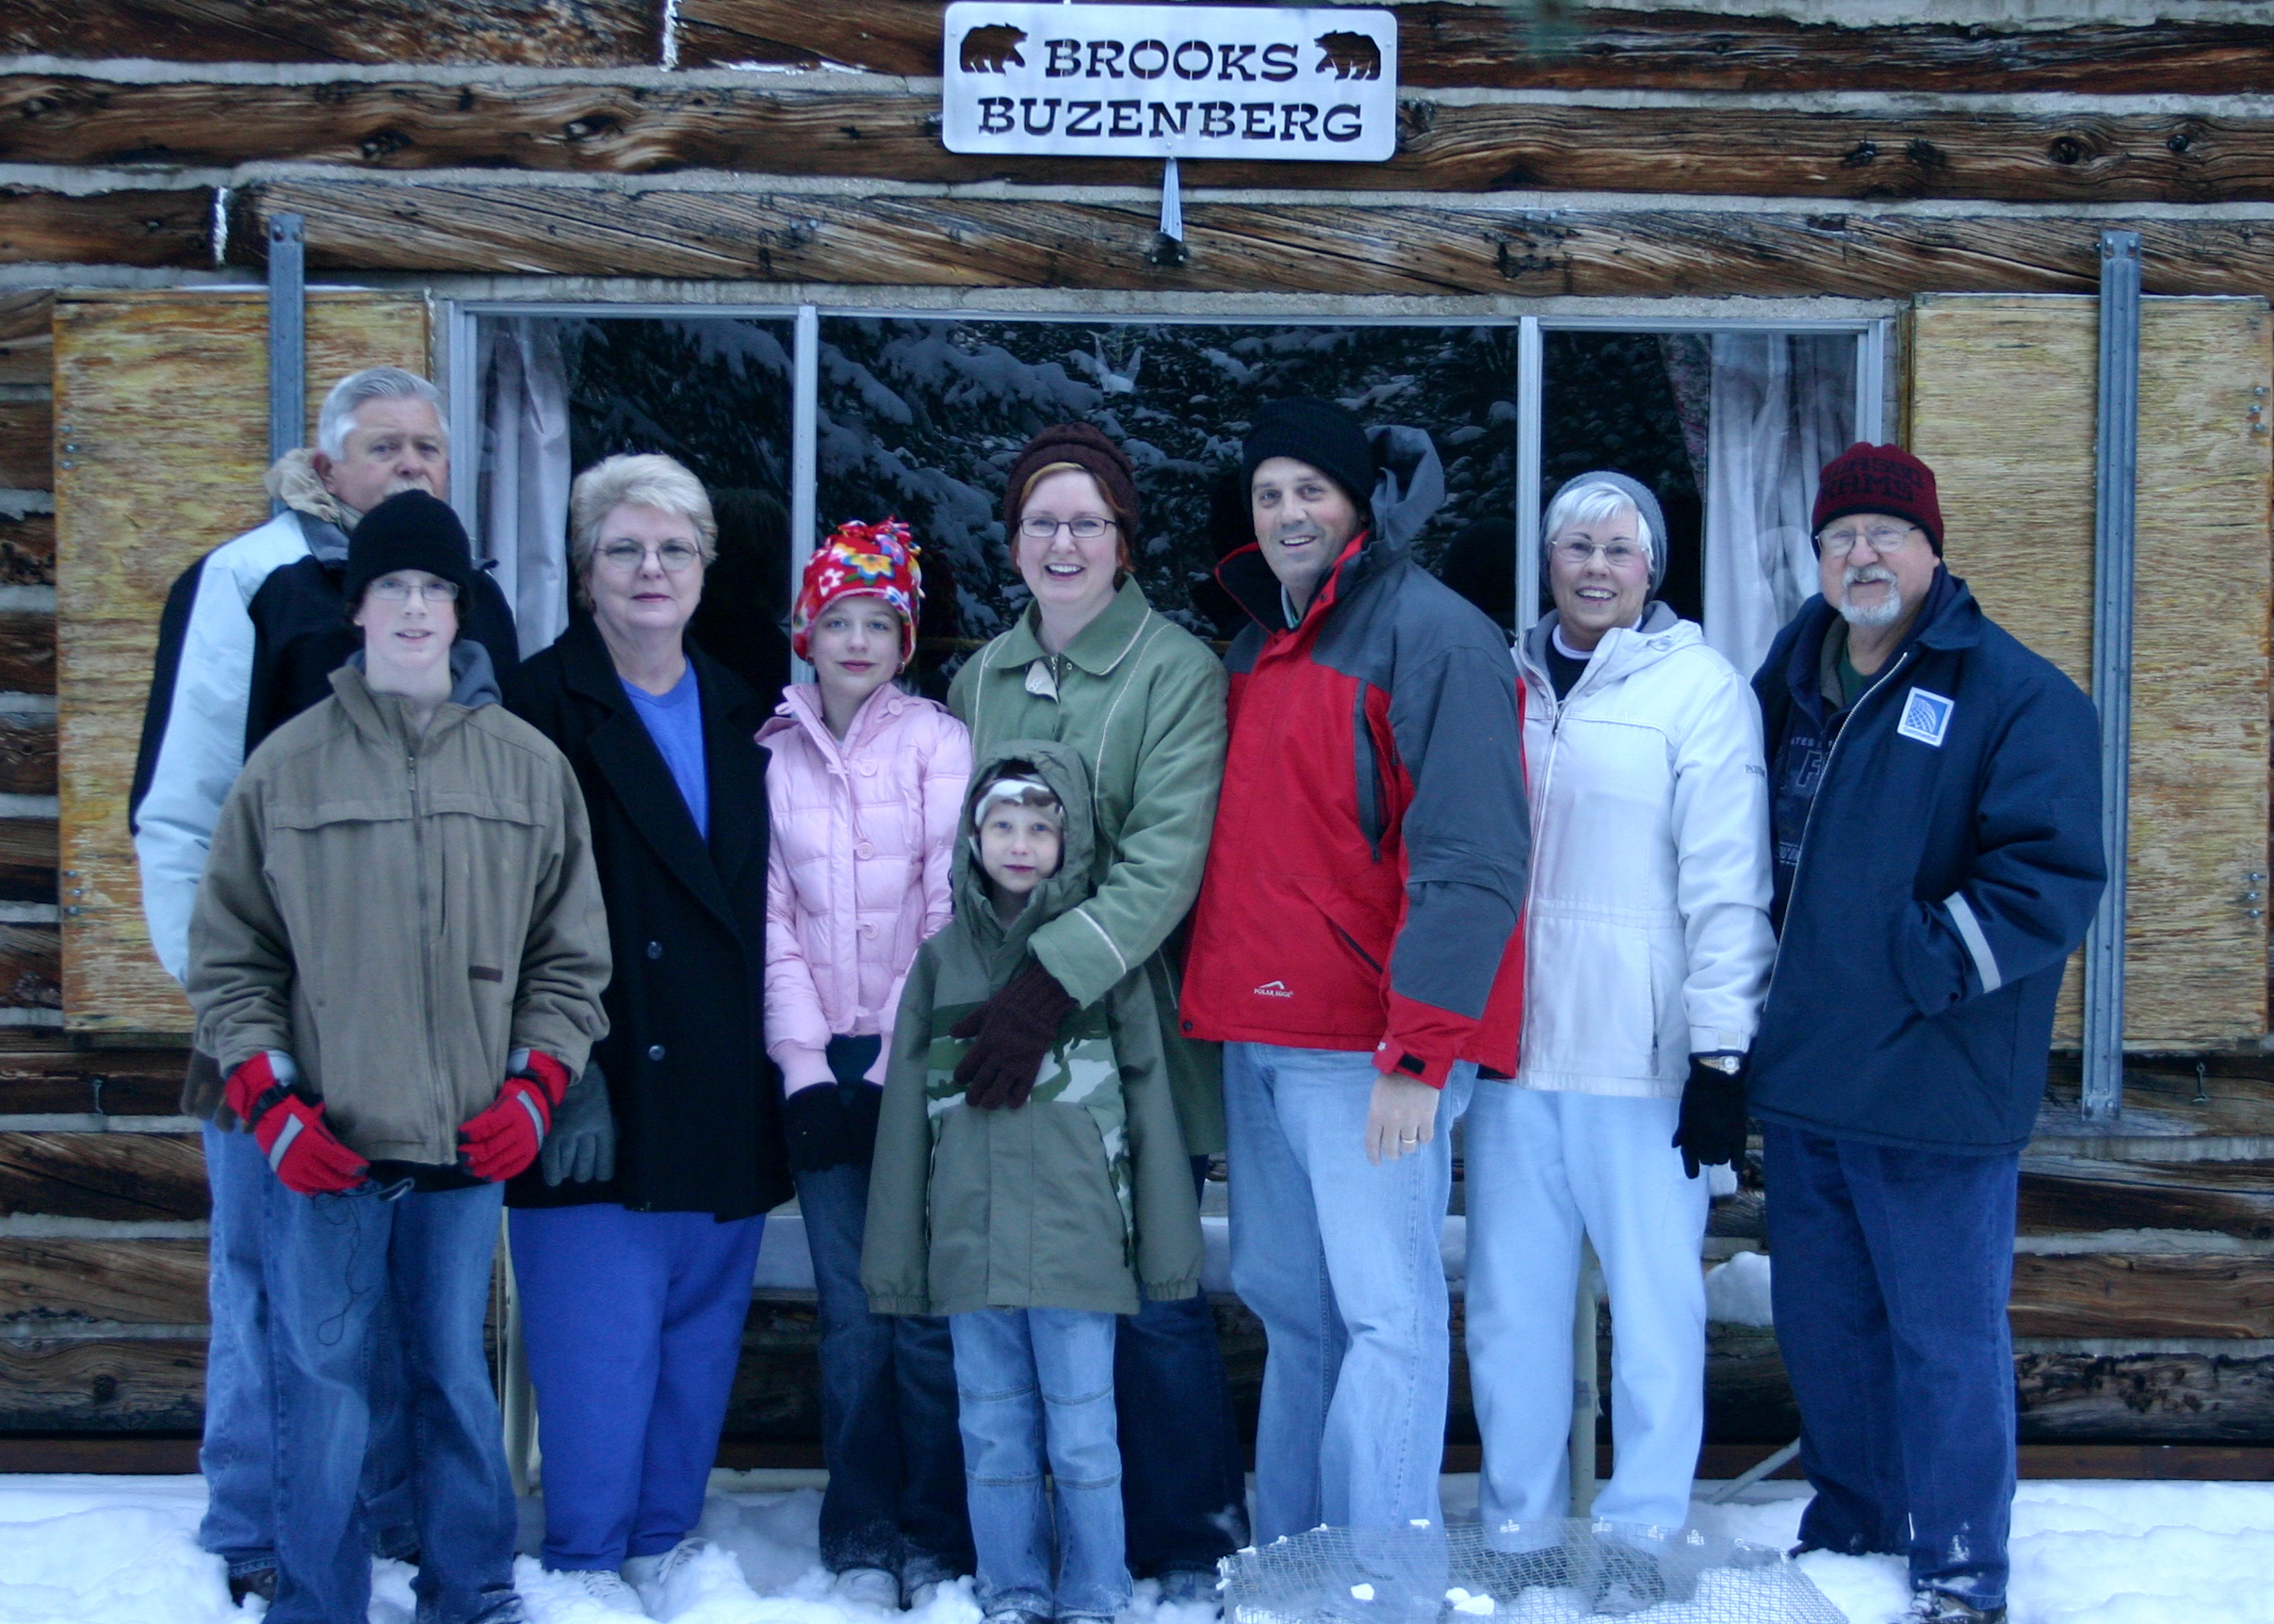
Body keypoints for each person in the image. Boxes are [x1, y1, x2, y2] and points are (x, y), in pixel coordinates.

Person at [131, 366, 518, 1604]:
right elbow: (182, 808)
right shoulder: (251, 581)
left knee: (404, 1302)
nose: (410, 465)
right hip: (275, 1022)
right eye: (384, 445)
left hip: (430, 1039)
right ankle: (257, 1518)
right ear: (327, 462)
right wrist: (227, 1014)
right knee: (267, 1283)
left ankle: (385, 1509)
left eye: (429, 447)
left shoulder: (468, 597)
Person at [187, 489, 609, 1624]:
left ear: (460, 609)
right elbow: (232, 954)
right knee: (322, 1379)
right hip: (327, 1138)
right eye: (392, 586)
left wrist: (536, 1087)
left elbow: (570, 956)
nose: (415, 607)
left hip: (469, 1139)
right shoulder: (287, 767)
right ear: (358, 606)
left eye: (434, 588)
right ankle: (317, 1600)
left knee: (451, 1369)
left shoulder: (527, 767)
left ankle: (469, 1588)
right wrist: (271, 1102)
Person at [1750, 443, 2103, 1624]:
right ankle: (1854, 1525)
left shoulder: (2016, 694)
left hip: (1934, 1080)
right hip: (1806, 1073)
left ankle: (1957, 1566)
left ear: (1930, 550)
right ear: (1816, 555)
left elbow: (2050, 876)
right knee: (1825, 1329)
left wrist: (1923, 958)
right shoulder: (1787, 677)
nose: (1861, 554)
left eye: (1885, 533)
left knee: (1941, 1339)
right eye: (1839, 536)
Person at [1180, 398, 1529, 1541]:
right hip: (1261, 1035)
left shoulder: (1433, 634)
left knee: (1385, 1315)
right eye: (1268, 493)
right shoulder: (1259, 641)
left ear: (1358, 504)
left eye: (1310, 490)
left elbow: (1471, 858)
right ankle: (1293, 1559)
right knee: (1294, 1310)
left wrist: (1420, 1052)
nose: (1287, 513)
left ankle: (1379, 1580)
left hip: (1366, 1048)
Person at [1464, 473, 1774, 1596]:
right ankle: (1517, 1530)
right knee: (1510, 1312)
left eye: (1618, 549)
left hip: (1640, 1063)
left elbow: (1727, 883)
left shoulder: (1698, 690)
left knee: (1651, 1314)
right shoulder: (1500, 680)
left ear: (1653, 569)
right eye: (1574, 546)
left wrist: (1718, 1053)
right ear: (1546, 560)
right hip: (1511, 1058)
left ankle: (1639, 1535)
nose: (1594, 567)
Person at [948, 424, 1242, 1594]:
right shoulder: (977, 679)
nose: (1061, 543)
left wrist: (1049, 977)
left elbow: (1166, 857)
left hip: (1132, 1025)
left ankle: (1187, 1536)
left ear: (1124, 541)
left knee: (1152, 1287)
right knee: (1012, 1278)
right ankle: (1032, 1548)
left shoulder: (1176, 671)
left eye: (1086, 522)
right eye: (1041, 522)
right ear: (1012, 539)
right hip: (996, 1041)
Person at [503, 454, 791, 1617]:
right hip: (600, 1081)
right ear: (584, 573)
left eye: (674, 548)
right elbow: (507, 911)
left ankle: (664, 1550)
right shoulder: (532, 705)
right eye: (622, 548)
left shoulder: (746, 705)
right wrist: (559, 1073)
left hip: (721, 1078)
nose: (649, 569)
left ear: (705, 567)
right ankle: (583, 1563)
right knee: (597, 1352)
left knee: (693, 1345)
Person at [864, 743, 1206, 1624]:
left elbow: (1148, 1104)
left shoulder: (1103, 964)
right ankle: (1012, 1586)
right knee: (991, 1431)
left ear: (1071, 841)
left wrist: (1166, 1248)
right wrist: (900, 1257)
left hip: (1078, 1245)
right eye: (1003, 825)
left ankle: (1096, 1588)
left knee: (1086, 1432)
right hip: (970, 1246)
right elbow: (904, 1120)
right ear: (972, 839)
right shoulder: (941, 964)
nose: (1020, 844)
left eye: (1041, 828)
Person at [760, 517, 975, 1608]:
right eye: (836, 619)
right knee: (850, 1310)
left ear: (905, 639)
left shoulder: (937, 741)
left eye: (877, 622)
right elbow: (773, 920)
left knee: (923, 1305)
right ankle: (860, 1521)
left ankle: (936, 1525)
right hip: (821, 1061)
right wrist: (806, 1068)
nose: (855, 640)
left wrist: (896, 1059)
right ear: (807, 630)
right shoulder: (774, 752)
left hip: (917, 1058)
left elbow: (946, 906)